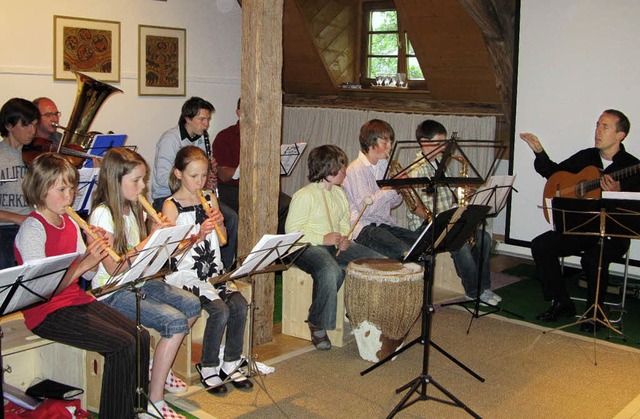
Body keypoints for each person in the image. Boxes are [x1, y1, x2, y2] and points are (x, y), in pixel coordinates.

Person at [14, 152, 150, 419]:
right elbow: (43, 289)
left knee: (140, 336)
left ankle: (137, 408)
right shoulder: (33, 228)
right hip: (46, 312)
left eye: (72, 188)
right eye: (62, 189)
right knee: (121, 344)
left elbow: (87, 276)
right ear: (40, 190)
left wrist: (97, 252)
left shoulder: (69, 222)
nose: (70, 196)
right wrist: (86, 262)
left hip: (75, 300)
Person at [89, 147, 201, 419]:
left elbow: (147, 260)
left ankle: (155, 365)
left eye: (143, 180)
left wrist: (168, 238)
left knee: (192, 304)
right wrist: (150, 240)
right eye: (136, 181)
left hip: (137, 280)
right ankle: (153, 399)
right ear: (116, 181)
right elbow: (114, 268)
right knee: (174, 322)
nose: (143, 187)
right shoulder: (103, 215)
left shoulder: (133, 207)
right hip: (110, 291)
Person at [520, 109, 640, 332]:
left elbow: (634, 210)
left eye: (605, 126)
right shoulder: (586, 157)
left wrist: (616, 193)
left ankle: (595, 314)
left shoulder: (632, 167)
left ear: (620, 135)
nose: (597, 130)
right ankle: (561, 302)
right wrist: (539, 152)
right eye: (597, 125)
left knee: (594, 258)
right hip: (582, 229)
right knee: (541, 245)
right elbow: (555, 174)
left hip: (613, 234)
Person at [162, 146, 252, 394]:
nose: (199, 182)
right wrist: (196, 235)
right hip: (185, 272)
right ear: (178, 174)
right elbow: (168, 253)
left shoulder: (210, 197)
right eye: (194, 176)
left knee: (240, 305)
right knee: (220, 310)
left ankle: (232, 361)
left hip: (211, 268)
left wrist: (220, 223)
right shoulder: (171, 206)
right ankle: (209, 365)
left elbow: (222, 242)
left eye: (203, 176)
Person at [285, 145, 383, 350]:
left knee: (376, 262)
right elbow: (292, 234)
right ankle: (317, 322)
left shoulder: (339, 194)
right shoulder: (304, 195)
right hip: (304, 247)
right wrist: (323, 238)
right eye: (340, 167)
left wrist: (345, 238)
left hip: (332, 245)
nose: (344, 171)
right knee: (332, 271)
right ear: (326, 169)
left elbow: (344, 224)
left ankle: (358, 312)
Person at [405, 120, 500, 305]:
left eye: (444, 143)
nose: (444, 147)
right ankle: (474, 292)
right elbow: (416, 208)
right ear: (424, 142)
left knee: (484, 238)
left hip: (445, 221)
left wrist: (462, 196)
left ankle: (485, 287)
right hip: (426, 227)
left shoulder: (440, 163)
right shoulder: (415, 171)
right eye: (440, 143)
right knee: (460, 244)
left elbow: (446, 200)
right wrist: (440, 220)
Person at [152, 96, 238, 270]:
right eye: (202, 119)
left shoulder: (201, 138)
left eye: (207, 119)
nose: (206, 124)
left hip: (195, 193)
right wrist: (187, 175)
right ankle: (186, 267)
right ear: (188, 119)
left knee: (230, 218)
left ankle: (222, 267)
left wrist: (205, 173)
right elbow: (161, 178)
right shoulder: (171, 139)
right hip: (167, 196)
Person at [342, 119, 421, 259]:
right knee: (405, 252)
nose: (390, 147)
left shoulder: (384, 165)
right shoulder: (355, 169)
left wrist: (399, 191)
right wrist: (392, 187)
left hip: (384, 224)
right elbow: (367, 208)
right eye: (385, 143)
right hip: (363, 228)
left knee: (421, 245)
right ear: (370, 143)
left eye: (390, 142)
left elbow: (392, 204)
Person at [212, 97, 291, 234]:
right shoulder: (224, 136)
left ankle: (277, 250)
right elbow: (223, 175)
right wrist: (244, 169)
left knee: (286, 204)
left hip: (259, 187)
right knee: (256, 205)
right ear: (238, 113)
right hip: (232, 188)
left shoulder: (263, 136)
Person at [0, 98, 38, 269]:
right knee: (6, 259)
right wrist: (17, 218)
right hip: (6, 228)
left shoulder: (37, 155)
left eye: (35, 125)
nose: (33, 131)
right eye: (27, 125)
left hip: (34, 222)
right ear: (9, 125)